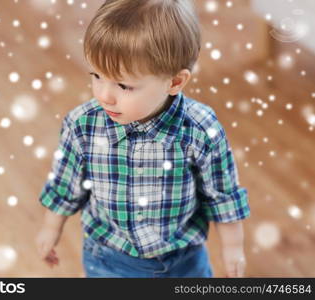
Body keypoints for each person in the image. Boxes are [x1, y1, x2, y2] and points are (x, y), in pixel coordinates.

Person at [36, 0, 250, 278]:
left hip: (184, 261)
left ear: (174, 82)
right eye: (97, 76)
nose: (104, 95)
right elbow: (67, 184)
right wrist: (51, 228)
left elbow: (221, 194)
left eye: (123, 85)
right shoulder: (82, 125)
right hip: (109, 260)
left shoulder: (200, 129)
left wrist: (233, 246)